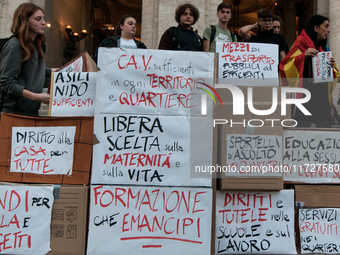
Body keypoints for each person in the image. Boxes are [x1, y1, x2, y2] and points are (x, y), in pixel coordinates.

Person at [279, 15, 339, 127]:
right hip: (304, 93)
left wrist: (332, 67)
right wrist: (303, 56)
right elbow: (285, 66)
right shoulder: (299, 44)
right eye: (326, 26)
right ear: (316, 28)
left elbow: (334, 71)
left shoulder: (324, 47)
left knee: (325, 124)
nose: (329, 30)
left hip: (321, 95)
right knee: (302, 126)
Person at [0, 3, 51, 116]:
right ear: (25, 21)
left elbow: (32, 70)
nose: (43, 22)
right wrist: (36, 97)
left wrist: (59, 71)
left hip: (31, 112)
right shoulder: (15, 45)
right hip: (13, 113)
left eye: (43, 18)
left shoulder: (37, 45)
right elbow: (6, 82)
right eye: (38, 19)